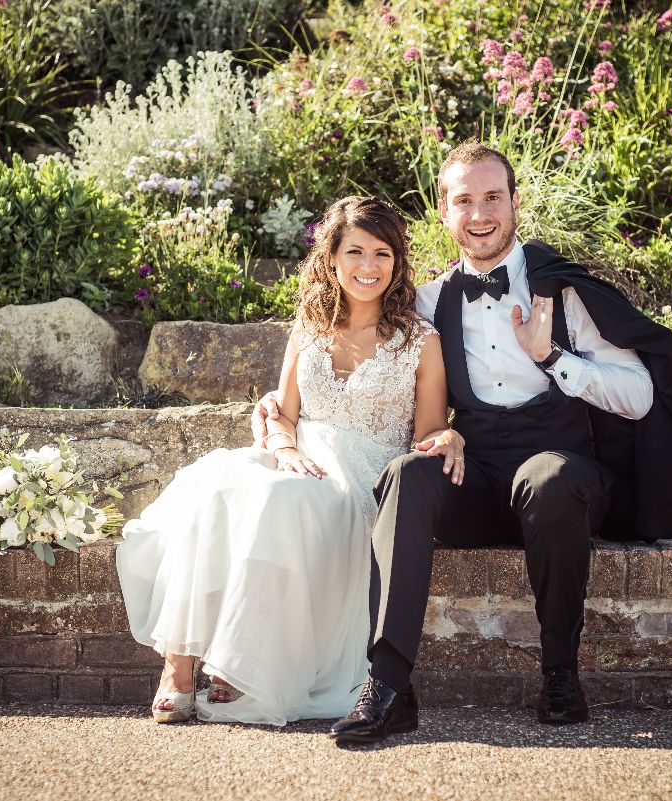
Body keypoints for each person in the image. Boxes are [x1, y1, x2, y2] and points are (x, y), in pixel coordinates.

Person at [254, 142, 672, 743]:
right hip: (480, 476)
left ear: (516, 203)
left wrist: (554, 357)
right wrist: (280, 416)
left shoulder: (562, 294)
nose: (480, 213)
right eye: (464, 201)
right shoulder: (430, 303)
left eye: (493, 198)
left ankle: (561, 675)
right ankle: (387, 689)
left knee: (551, 480)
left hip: (561, 476)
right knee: (409, 475)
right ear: (444, 212)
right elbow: (349, 326)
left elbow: (641, 395)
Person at [117, 196, 462, 727]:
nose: (368, 267)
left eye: (382, 254)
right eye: (355, 252)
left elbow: (426, 436)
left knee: (279, 500)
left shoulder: (420, 341)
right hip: (299, 455)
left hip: (362, 480)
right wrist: (283, 447)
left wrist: (450, 437)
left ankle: (239, 661)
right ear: (331, 257)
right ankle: (178, 667)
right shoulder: (311, 324)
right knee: (211, 484)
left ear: (397, 263)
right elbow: (282, 411)